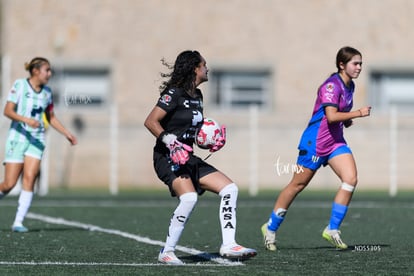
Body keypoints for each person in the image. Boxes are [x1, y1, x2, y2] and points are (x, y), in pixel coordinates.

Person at [144, 50, 257, 265]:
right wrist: (169, 141)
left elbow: (188, 130)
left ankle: (229, 245)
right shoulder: (174, 93)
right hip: (166, 157)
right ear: (194, 68)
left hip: (188, 156)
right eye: (204, 65)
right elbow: (151, 121)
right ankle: (166, 251)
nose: (208, 68)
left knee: (230, 189)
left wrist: (210, 140)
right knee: (189, 198)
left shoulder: (198, 96)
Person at [261, 46, 371, 251]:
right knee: (297, 185)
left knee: (350, 179)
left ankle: (332, 229)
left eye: (360, 64)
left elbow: (339, 114)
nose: (359, 67)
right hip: (315, 144)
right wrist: (358, 113)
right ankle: (270, 228)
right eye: (355, 63)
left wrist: (346, 122)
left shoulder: (351, 86)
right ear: (341, 65)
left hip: (335, 143)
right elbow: (330, 116)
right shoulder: (331, 85)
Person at [0, 57, 77, 232]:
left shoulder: (47, 92)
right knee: (9, 184)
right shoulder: (20, 85)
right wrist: (26, 119)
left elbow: (51, 117)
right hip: (18, 139)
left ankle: (18, 222)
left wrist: (67, 133)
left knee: (30, 179)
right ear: (36, 71)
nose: (49, 74)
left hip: (37, 140)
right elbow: (8, 111)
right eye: (47, 70)